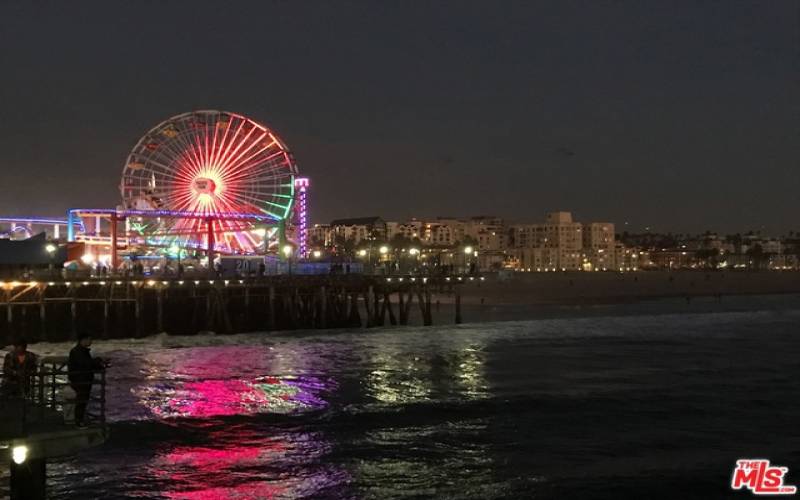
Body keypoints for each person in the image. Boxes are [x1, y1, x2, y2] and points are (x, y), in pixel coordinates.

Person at [68, 333, 106, 426]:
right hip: (80, 380)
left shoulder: (80, 351)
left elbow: (87, 364)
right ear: (83, 340)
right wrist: (97, 361)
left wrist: (98, 364)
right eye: (89, 339)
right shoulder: (78, 351)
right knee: (81, 401)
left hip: (83, 379)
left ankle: (80, 420)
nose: (91, 341)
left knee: (83, 401)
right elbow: (85, 364)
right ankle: (78, 422)